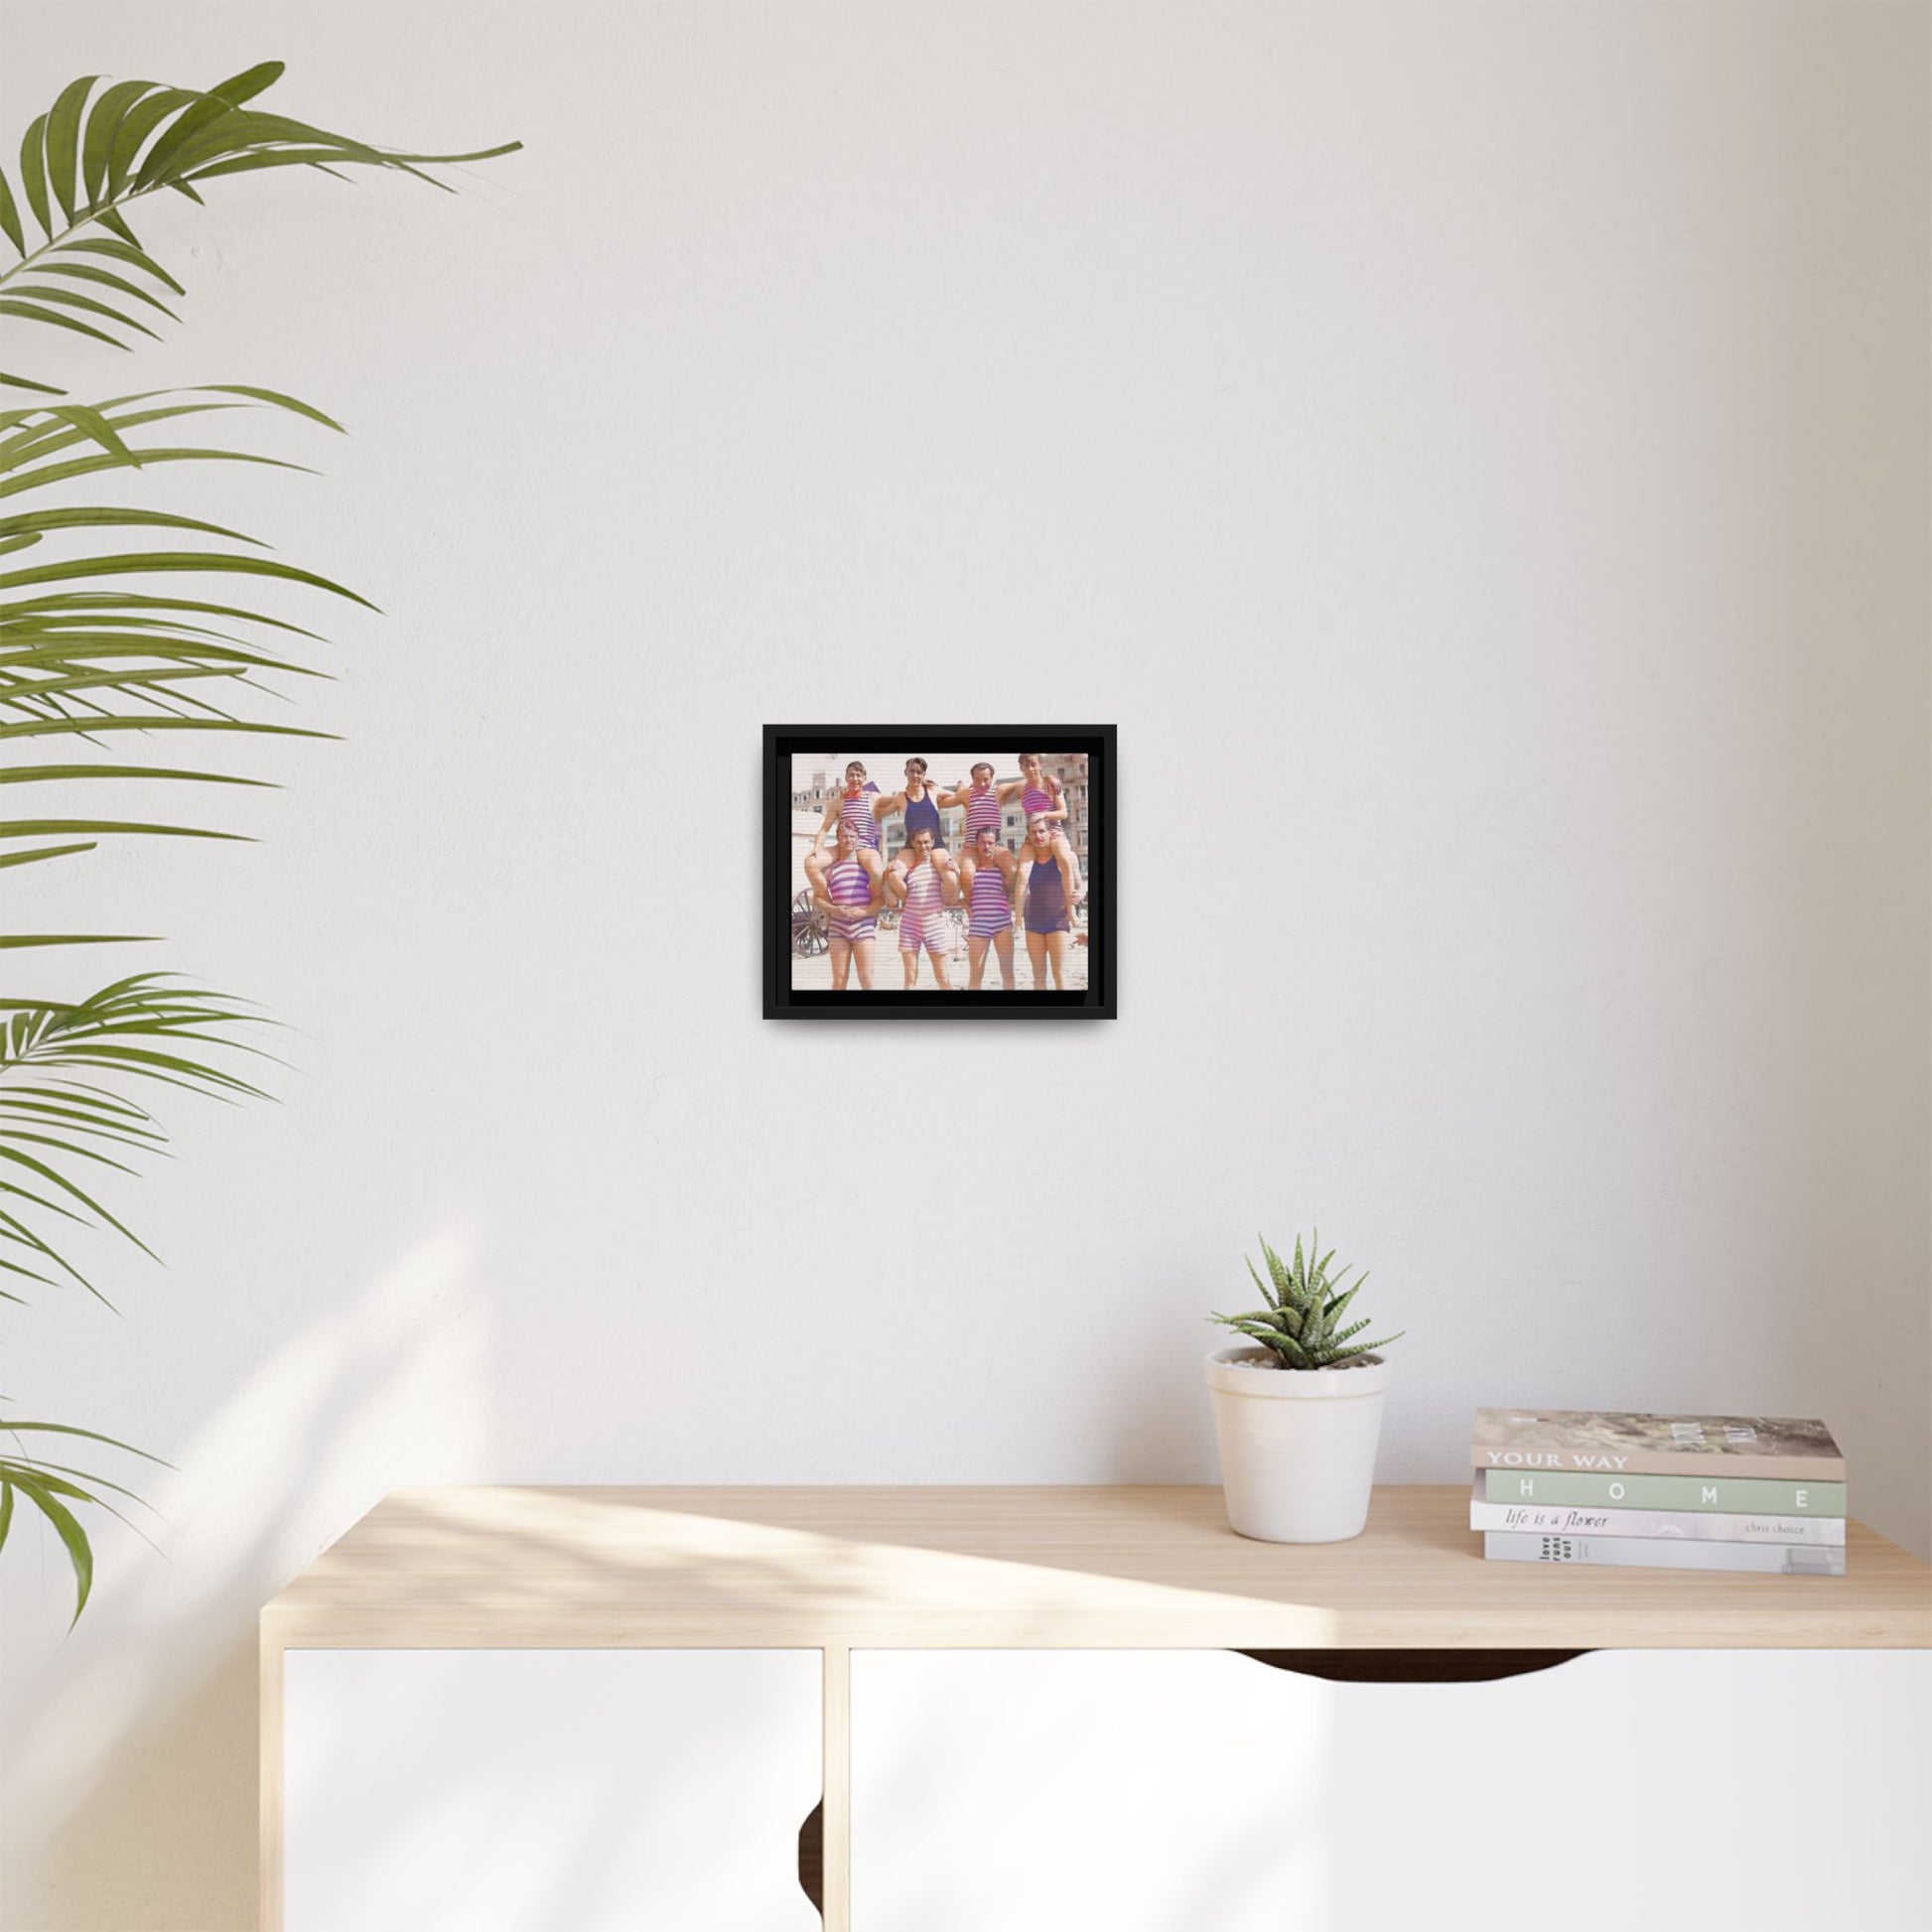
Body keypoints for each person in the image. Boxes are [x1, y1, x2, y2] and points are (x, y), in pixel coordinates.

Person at [809, 817, 885, 990]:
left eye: (852, 836)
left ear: (857, 838)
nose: (848, 840)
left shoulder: (866, 866)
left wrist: (864, 912)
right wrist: (834, 909)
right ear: (838, 838)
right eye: (844, 836)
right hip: (838, 928)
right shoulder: (830, 868)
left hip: (863, 926)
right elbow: (816, 898)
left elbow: (880, 899)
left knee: (866, 978)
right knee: (839, 979)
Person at [877, 757, 961, 899]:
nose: (915, 775)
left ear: (923, 775)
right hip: (911, 846)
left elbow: (958, 796)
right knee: (893, 876)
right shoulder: (901, 797)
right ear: (906, 772)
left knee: (951, 877)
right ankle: (912, 903)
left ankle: (937, 905)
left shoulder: (933, 791)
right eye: (912, 771)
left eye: (919, 772)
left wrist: (936, 789)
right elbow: (880, 813)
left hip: (936, 845)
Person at [884, 825, 956, 989]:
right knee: (910, 977)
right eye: (919, 842)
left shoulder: (939, 868)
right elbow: (891, 900)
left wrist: (956, 869)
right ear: (912, 843)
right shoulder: (907, 869)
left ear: (933, 842)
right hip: (909, 927)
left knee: (942, 977)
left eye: (926, 842)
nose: (923, 846)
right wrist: (886, 874)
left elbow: (951, 894)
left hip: (934, 925)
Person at [1015, 752, 1083, 908]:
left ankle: (1071, 908)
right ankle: (1018, 920)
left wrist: (1043, 814)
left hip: (1053, 830)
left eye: (1033, 764)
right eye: (1026, 766)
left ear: (1040, 765)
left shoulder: (1050, 785)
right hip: (1033, 834)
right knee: (1022, 872)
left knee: (1065, 859)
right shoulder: (1022, 789)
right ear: (1021, 768)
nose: (1030, 769)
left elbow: (1064, 813)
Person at [1017, 813, 1073, 990]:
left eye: (1042, 831)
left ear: (1050, 833)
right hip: (1033, 922)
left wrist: (1071, 909)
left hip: (1057, 920)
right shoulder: (1027, 860)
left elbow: (1072, 881)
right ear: (1028, 835)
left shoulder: (1059, 857)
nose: (1038, 836)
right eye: (1033, 832)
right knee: (1038, 974)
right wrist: (1018, 918)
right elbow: (1021, 885)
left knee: (1059, 974)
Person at [963, 822, 1020, 989]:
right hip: (978, 925)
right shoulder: (970, 871)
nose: (986, 846)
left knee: (1008, 973)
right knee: (976, 975)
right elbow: (960, 897)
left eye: (990, 843)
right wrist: (965, 906)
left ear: (996, 845)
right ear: (976, 844)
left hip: (1002, 924)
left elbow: (1013, 889)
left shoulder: (1002, 871)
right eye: (982, 842)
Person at [809, 759, 884, 861]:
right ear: (846, 778)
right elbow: (824, 829)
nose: (855, 778)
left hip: (865, 849)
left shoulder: (873, 798)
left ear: (864, 778)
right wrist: (817, 847)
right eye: (851, 775)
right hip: (844, 848)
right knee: (811, 862)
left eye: (858, 775)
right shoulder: (838, 803)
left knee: (875, 869)